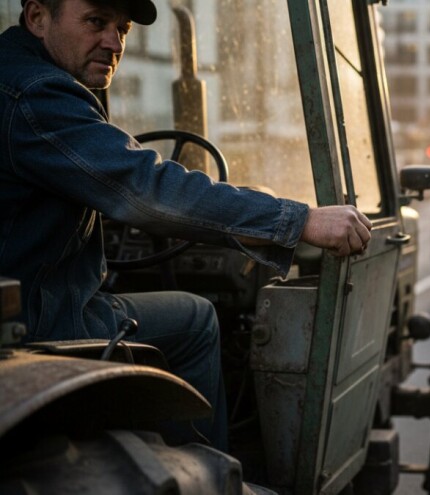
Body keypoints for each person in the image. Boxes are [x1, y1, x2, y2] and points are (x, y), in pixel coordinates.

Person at [1, 0, 372, 451]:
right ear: (38, 17)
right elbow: (147, 188)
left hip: (21, 307)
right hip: (34, 327)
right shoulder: (38, 93)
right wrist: (300, 219)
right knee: (196, 319)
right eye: (96, 22)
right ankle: (210, 470)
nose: (113, 42)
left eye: (123, 28)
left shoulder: (16, 75)